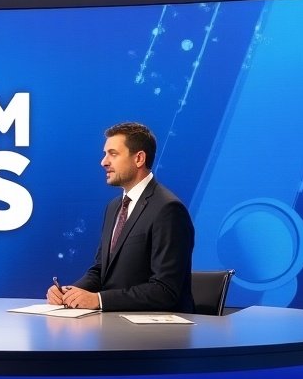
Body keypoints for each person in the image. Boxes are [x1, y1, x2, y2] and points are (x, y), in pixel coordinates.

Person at [46, 122, 195, 312]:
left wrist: (98, 300)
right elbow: (101, 271)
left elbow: (164, 290)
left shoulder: (168, 209)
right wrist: (69, 293)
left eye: (113, 154)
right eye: (105, 153)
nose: (104, 162)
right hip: (114, 326)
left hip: (157, 334)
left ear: (139, 158)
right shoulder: (114, 207)